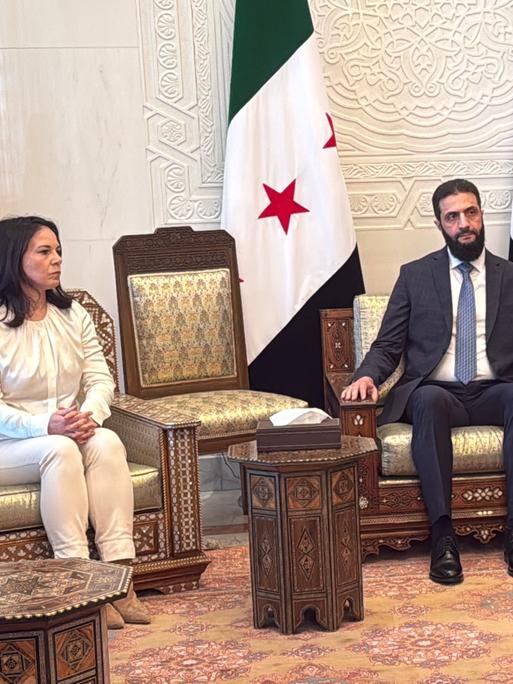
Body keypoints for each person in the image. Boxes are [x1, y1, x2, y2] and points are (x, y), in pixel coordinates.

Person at [341, 178, 513, 585]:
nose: (463, 223)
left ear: (482, 215)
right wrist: (366, 375)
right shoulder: (415, 276)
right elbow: (388, 345)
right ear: (440, 225)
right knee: (428, 400)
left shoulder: (508, 275)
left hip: (495, 388)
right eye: (452, 217)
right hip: (442, 392)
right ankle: (443, 535)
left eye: (470, 212)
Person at [0, 215, 150, 629]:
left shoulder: (73, 314)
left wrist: (89, 417)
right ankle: (80, 584)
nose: (57, 260)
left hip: (65, 432)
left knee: (106, 442)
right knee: (60, 449)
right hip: (10, 443)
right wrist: (47, 425)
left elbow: (100, 380)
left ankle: (121, 583)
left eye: (58, 251)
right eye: (44, 251)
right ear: (15, 258)